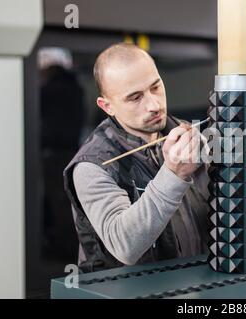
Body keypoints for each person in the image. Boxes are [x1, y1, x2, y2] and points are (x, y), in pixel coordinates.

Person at [63, 43, 210, 272]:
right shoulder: (92, 166)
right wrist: (173, 174)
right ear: (107, 106)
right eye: (135, 98)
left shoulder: (187, 135)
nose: (154, 105)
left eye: (155, 87)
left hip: (188, 286)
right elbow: (125, 245)